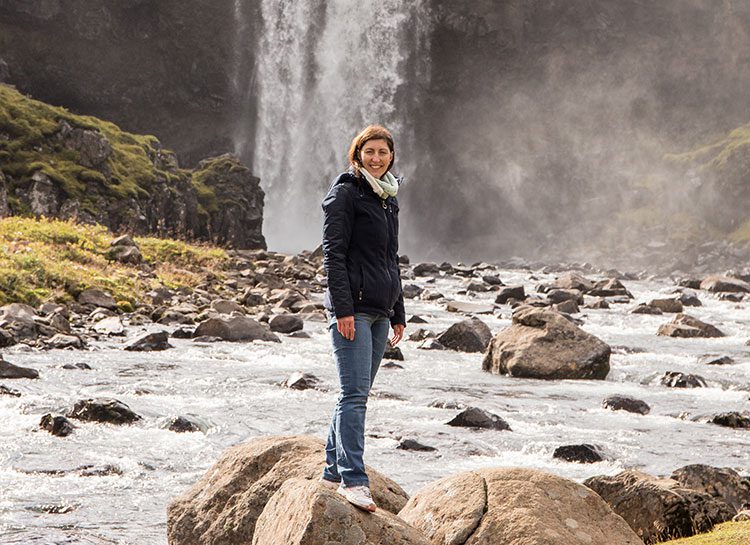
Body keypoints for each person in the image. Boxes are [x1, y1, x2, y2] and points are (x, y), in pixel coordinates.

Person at [319, 124, 406, 512]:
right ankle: (353, 480)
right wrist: (342, 310)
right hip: (352, 309)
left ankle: (332, 470)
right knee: (354, 396)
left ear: (391, 157)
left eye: (382, 153)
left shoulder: (388, 199)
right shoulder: (345, 194)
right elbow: (333, 256)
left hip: (380, 311)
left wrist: (398, 312)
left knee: (355, 395)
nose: (376, 158)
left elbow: (390, 259)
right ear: (357, 155)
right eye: (369, 152)